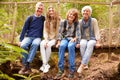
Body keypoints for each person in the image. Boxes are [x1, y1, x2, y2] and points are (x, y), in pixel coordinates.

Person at [18, 2, 45, 75]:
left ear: (42, 10)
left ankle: (27, 63)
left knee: (35, 44)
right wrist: (20, 40)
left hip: (37, 37)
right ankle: (25, 65)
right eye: (38, 8)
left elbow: (51, 21)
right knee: (23, 46)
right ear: (35, 8)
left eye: (41, 9)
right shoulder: (30, 18)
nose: (39, 10)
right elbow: (24, 29)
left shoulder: (43, 19)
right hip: (29, 37)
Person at [56, 8, 80, 78]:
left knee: (70, 46)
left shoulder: (76, 23)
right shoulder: (63, 22)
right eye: (70, 14)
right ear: (68, 14)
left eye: (73, 15)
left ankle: (72, 70)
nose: (71, 16)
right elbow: (60, 33)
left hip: (73, 39)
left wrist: (76, 40)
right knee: (62, 46)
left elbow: (78, 34)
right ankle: (60, 69)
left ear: (75, 17)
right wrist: (58, 42)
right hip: (65, 38)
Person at [76, 6, 100, 74]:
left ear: (90, 13)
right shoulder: (80, 22)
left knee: (90, 44)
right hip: (83, 38)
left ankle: (82, 65)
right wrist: (78, 42)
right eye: (84, 11)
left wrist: (98, 41)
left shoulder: (93, 20)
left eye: (87, 11)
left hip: (92, 38)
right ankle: (85, 64)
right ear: (82, 12)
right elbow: (78, 33)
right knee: (82, 44)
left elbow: (96, 31)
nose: (85, 12)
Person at [39, 6, 60, 73]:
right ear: (48, 12)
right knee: (42, 44)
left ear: (54, 12)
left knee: (48, 45)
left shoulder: (58, 20)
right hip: (47, 38)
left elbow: (58, 32)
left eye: (52, 10)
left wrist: (56, 40)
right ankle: (46, 64)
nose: (51, 12)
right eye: (49, 11)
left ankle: (44, 65)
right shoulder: (46, 22)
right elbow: (45, 32)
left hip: (54, 39)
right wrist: (45, 40)